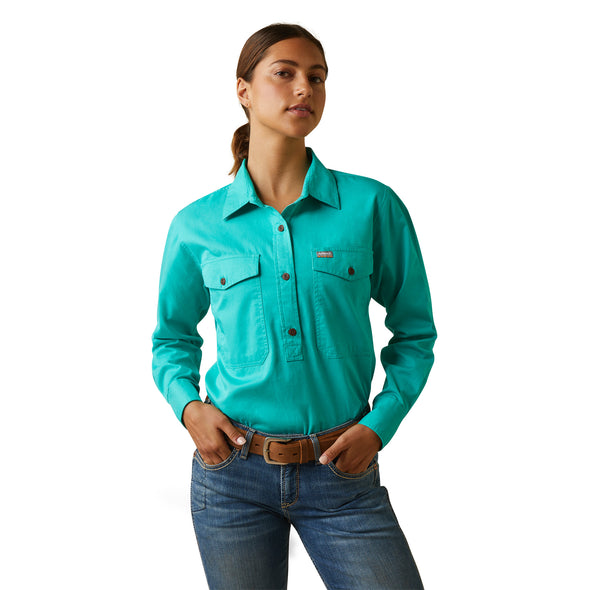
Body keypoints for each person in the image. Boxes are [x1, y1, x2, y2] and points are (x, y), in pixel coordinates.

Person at [152, 23, 436, 590]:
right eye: (284, 73)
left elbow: (414, 333)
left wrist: (380, 425)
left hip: (343, 472)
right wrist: (188, 407)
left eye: (317, 77)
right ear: (243, 90)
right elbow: (172, 338)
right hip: (230, 475)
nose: (304, 88)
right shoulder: (196, 225)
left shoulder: (372, 205)